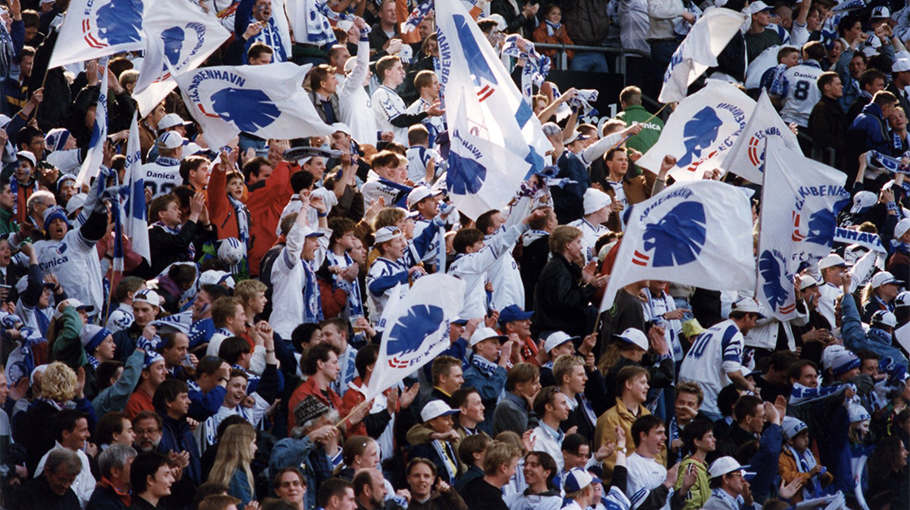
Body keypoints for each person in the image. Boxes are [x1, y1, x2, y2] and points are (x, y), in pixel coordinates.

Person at [679, 298, 764, 420]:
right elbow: (733, 372)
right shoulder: (734, 334)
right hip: (708, 398)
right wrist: (749, 387)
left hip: (687, 390)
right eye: (754, 320)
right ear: (746, 316)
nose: (754, 325)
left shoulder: (714, 328)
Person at [9, 448, 82, 510]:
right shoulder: (25, 495)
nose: (66, 486)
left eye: (71, 481)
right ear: (47, 471)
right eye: (61, 480)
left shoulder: (71, 497)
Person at [458, 440, 521, 510]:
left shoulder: (470, 485)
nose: (515, 472)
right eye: (514, 467)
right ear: (503, 468)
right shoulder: (495, 503)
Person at [208, 423, 258, 510]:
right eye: (253, 442)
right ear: (243, 446)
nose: (256, 447)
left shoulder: (223, 472)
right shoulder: (236, 477)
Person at [676, 419, 716, 510]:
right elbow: (689, 505)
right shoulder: (690, 468)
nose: (714, 439)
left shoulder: (705, 466)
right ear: (697, 442)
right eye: (709, 436)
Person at [492, 362, 540, 436]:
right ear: (519, 386)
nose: (539, 387)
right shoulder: (507, 407)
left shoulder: (526, 404)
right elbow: (529, 437)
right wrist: (534, 409)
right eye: (534, 383)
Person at [529, 386, 570, 471]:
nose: (568, 408)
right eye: (563, 403)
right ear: (549, 407)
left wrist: (596, 458)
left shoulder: (565, 437)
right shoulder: (535, 438)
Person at [87, 444, 138, 510]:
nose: (137, 469)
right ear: (115, 471)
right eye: (132, 466)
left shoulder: (135, 492)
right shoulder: (102, 504)